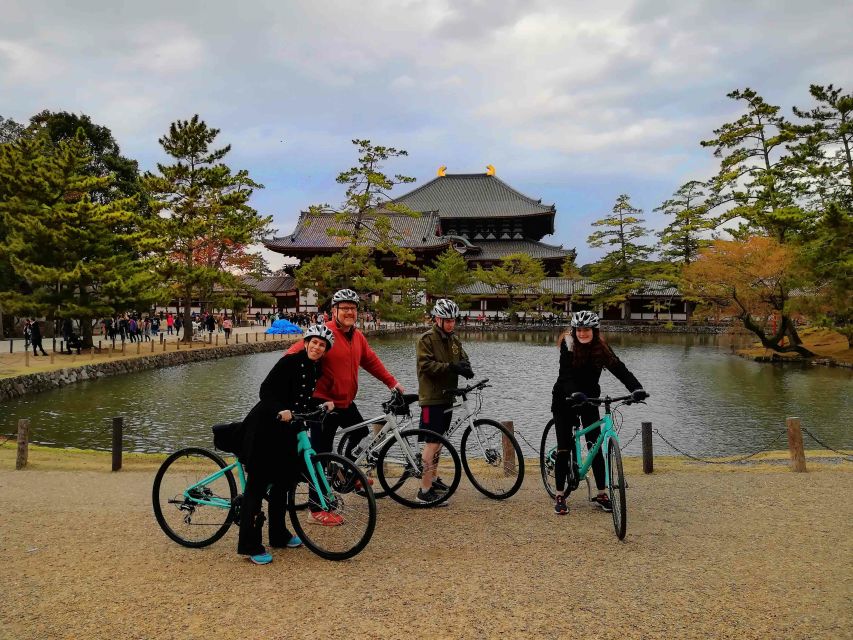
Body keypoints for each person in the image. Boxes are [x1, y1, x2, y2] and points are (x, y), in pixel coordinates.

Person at [285, 288, 405, 524]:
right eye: (345, 308)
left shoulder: (357, 336)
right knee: (322, 454)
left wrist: (392, 382)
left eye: (353, 308)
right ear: (334, 311)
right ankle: (316, 508)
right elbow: (293, 353)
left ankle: (347, 474)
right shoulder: (324, 332)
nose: (350, 312)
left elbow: (370, 360)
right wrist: (282, 384)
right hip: (322, 404)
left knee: (361, 434)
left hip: (345, 402)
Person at [237, 324, 336, 565]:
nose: (316, 347)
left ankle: (279, 534)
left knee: (283, 482)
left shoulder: (316, 368)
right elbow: (266, 390)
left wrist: (321, 406)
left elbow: (301, 399)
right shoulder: (289, 362)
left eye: (322, 345)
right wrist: (280, 410)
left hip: (288, 431)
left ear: (325, 350)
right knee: (257, 487)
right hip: (265, 427)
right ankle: (249, 544)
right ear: (305, 343)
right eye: (313, 342)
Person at [550, 311, 648, 515]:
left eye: (587, 330)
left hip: (590, 399)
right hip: (565, 398)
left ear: (594, 331)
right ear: (574, 330)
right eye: (579, 329)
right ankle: (560, 495)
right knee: (564, 448)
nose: (583, 333)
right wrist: (573, 392)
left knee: (595, 445)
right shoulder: (568, 345)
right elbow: (565, 376)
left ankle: (602, 493)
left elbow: (619, 368)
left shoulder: (601, 348)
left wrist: (636, 389)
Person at [415, 299, 474, 504]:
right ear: (437, 319)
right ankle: (424, 490)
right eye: (447, 321)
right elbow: (426, 366)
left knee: (440, 441)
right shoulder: (426, 339)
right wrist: (451, 367)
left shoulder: (453, 340)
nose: (451, 324)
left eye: (453, 320)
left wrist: (466, 368)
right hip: (431, 398)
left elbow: (462, 358)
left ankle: (433, 478)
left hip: (448, 396)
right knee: (431, 443)